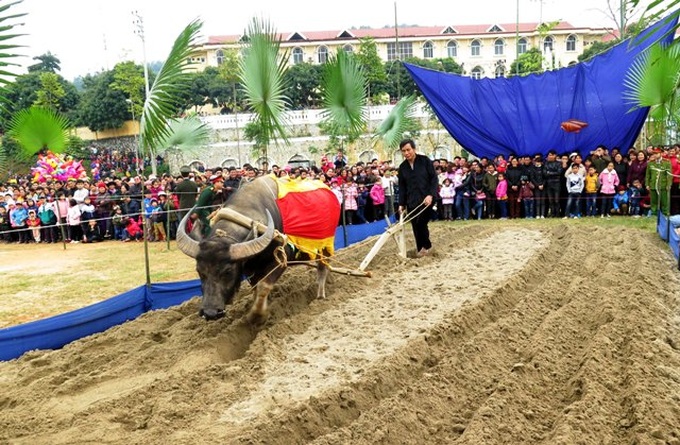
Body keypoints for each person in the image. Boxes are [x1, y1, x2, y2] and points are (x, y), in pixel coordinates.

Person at [397, 138, 438, 257]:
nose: (406, 153)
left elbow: (434, 179)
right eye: (403, 151)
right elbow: (402, 187)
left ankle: (427, 246)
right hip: (411, 200)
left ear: (414, 149)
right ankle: (421, 248)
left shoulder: (425, 161)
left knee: (421, 222)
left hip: (426, 199)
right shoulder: (402, 167)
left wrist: (430, 195)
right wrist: (401, 204)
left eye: (408, 150)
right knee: (415, 224)